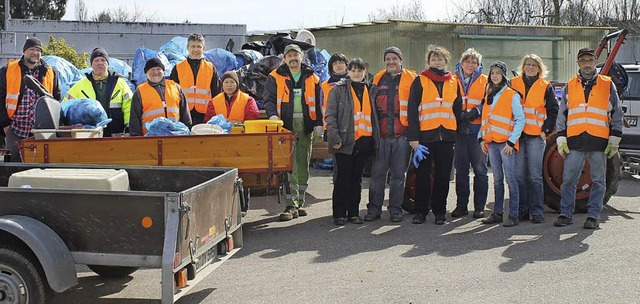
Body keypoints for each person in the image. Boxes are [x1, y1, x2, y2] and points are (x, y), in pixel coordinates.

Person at [554, 47, 624, 229]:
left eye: (590, 61)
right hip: (575, 141)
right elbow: (562, 114)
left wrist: (614, 139)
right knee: (568, 180)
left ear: (595, 62)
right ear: (578, 63)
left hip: (598, 142)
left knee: (599, 181)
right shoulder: (570, 85)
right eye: (583, 61)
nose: (587, 64)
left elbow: (616, 113)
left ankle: (593, 216)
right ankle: (565, 214)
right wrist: (561, 137)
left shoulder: (607, 84)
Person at [264, 44, 322, 221]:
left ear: (301, 57)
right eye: (289, 55)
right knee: (289, 166)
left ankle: (300, 202)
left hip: (305, 126)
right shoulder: (275, 77)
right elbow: (269, 99)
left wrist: (319, 123)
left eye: (295, 54)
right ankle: (290, 205)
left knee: (303, 164)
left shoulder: (312, 77)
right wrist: (273, 115)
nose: (292, 58)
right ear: (284, 58)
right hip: (285, 126)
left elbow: (320, 102)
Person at [407, 45, 462, 225]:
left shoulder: (454, 82)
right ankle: (420, 211)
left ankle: (440, 211)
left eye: (440, 59)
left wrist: (456, 133)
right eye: (433, 59)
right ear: (428, 61)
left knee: (443, 176)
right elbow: (412, 111)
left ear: (446, 61)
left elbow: (457, 109)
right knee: (422, 175)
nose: (436, 62)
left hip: (446, 138)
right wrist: (414, 138)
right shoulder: (420, 80)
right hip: (424, 138)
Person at [365, 46, 417, 223]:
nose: (391, 62)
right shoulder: (376, 80)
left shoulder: (412, 79)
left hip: (402, 136)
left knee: (398, 176)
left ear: (400, 60)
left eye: (394, 58)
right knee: (377, 174)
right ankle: (374, 209)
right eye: (388, 59)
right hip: (382, 136)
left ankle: (395, 210)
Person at [326, 58, 380, 225]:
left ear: (365, 72)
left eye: (360, 70)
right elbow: (330, 115)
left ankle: (354, 213)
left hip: (364, 141)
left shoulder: (371, 89)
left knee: (357, 179)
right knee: (342, 178)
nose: (357, 73)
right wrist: (334, 138)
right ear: (348, 71)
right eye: (353, 70)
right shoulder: (338, 90)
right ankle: (339, 214)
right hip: (344, 140)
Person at [511, 54, 559, 223]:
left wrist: (545, 131)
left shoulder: (545, 86)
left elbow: (554, 111)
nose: (530, 67)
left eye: (534, 65)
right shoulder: (513, 83)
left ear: (539, 68)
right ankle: (522, 210)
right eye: (527, 64)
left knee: (535, 176)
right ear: (523, 67)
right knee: (519, 176)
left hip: (535, 137)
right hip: (517, 136)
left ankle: (537, 211)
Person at [479, 61, 525, 227]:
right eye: (492, 73)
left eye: (498, 73)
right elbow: (485, 120)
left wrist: (511, 143)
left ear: (504, 75)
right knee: (497, 180)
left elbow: (520, 120)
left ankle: (513, 214)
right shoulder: (488, 96)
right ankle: (497, 213)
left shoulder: (512, 95)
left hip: (506, 145)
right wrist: (481, 139)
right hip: (492, 144)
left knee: (510, 180)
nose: (495, 76)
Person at [0, 37, 61, 162]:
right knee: (16, 165)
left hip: (42, 131)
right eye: (31, 49)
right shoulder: (8, 70)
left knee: (41, 165)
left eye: (38, 50)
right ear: (24, 51)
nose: (35, 53)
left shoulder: (50, 71)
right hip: (16, 129)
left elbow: (57, 99)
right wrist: (5, 124)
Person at [451, 48, 489, 219]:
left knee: (480, 170)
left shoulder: (486, 81)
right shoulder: (452, 80)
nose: (470, 64)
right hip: (459, 130)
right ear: (462, 62)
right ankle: (461, 206)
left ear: (478, 64)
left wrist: (476, 111)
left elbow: (490, 102)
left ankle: (479, 207)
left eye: (474, 62)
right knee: (461, 170)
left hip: (477, 131)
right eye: (468, 61)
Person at [66, 47, 133, 137]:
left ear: (107, 64)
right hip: (90, 136)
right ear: (92, 64)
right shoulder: (79, 86)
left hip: (116, 135)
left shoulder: (120, 83)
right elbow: (66, 107)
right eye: (96, 60)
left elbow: (129, 106)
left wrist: (129, 128)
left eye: (103, 60)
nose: (100, 63)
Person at [130, 58, 192, 136]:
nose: (156, 72)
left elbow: (184, 112)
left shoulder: (175, 87)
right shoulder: (140, 91)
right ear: (146, 73)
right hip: (150, 138)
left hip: (175, 136)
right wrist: (136, 139)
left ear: (163, 71)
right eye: (152, 70)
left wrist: (188, 131)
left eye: (158, 69)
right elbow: (134, 118)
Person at [170, 33, 221, 125]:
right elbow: (172, 94)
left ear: (203, 48)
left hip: (205, 115)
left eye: (199, 46)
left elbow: (217, 93)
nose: (196, 50)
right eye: (193, 46)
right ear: (187, 47)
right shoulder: (178, 68)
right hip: (184, 114)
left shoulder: (210, 68)